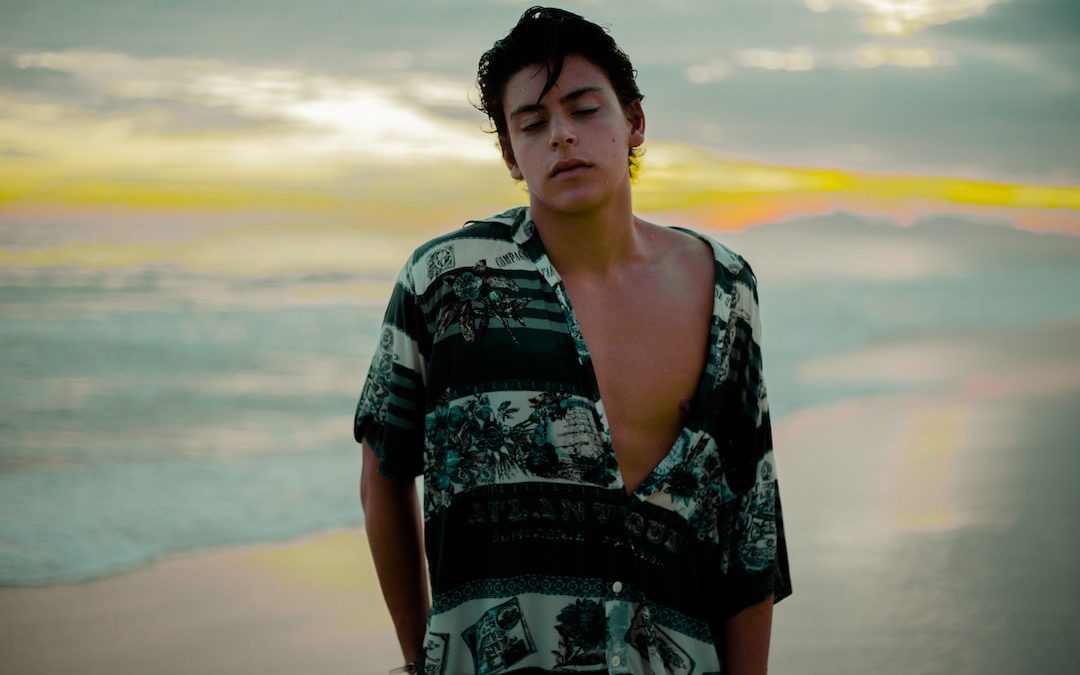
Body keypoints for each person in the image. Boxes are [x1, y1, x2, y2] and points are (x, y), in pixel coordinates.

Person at [355, 6, 790, 674]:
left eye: (585, 110)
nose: (561, 135)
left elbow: (749, 526)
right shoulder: (446, 282)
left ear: (634, 122)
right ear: (509, 153)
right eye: (532, 122)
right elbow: (384, 473)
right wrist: (421, 658)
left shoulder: (726, 289)